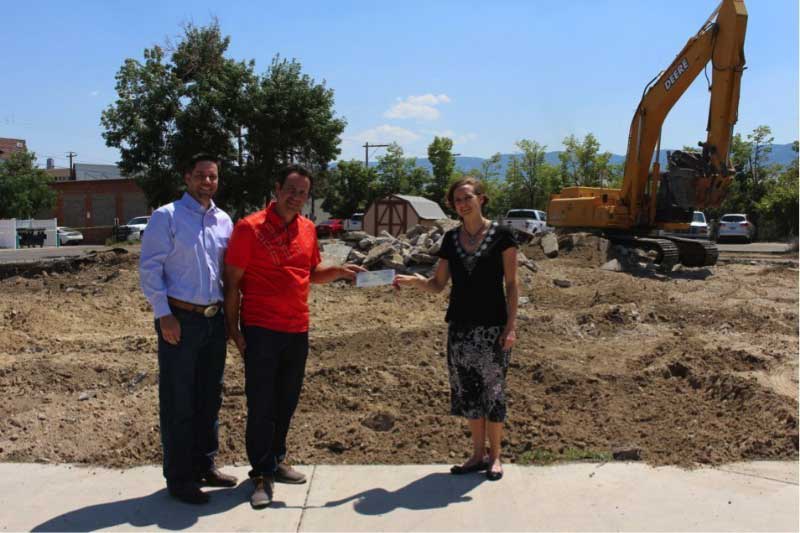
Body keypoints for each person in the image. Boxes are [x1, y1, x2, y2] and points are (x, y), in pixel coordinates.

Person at [224, 165, 365, 509]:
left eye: (303, 192)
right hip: (260, 329)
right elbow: (232, 283)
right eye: (291, 189)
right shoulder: (249, 228)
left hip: (297, 328)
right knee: (262, 404)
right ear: (277, 188)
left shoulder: (306, 229)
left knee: (286, 401)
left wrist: (340, 273)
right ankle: (260, 474)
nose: (296, 197)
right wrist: (233, 329)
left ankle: (277, 458)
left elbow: (311, 273)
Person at [394, 177, 518, 481]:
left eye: (467, 197)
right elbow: (438, 285)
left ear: (481, 198)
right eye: (457, 200)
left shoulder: (503, 236)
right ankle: (477, 455)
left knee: (494, 392)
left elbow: (512, 284)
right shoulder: (450, 239)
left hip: (493, 329)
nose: (462, 204)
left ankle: (496, 456)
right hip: (460, 328)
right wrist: (414, 282)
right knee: (469, 393)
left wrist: (511, 326)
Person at [139, 154, 238, 504]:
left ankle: (204, 465)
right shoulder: (166, 217)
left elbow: (228, 274)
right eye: (200, 176)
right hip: (180, 320)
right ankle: (179, 478)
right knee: (179, 402)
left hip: (213, 323)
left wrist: (229, 320)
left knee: (209, 398)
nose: (207, 182)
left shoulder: (224, 220)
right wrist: (163, 314)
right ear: (187, 177)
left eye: (212, 177)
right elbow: (150, 269)